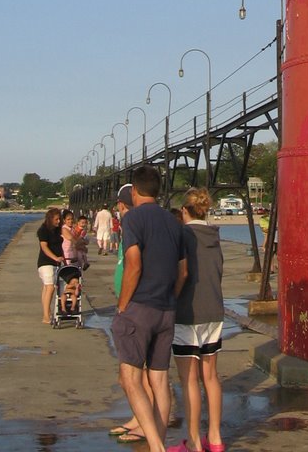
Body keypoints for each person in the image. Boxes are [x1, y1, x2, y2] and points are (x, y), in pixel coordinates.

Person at [112, 166, 187, 452]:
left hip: (139, 306)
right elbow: (183, 272)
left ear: (134, 191)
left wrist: (122, 304)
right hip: (166, 309)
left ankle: (157, 447)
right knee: (159, 379)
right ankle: (160, 439)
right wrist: (170, 299)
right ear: (158, 191)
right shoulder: (173, 222)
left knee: (131, 378)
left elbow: (134, 263)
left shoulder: (133, 219)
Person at [168, 188, 225, 452]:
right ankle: (215, 438)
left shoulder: (182, 235)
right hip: (214, 311)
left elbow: (182, 272)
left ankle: (193, 441)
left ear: (184, 210)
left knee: (189, 379)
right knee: (210, 377)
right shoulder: (214, 235)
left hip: (188, 313)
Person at [37, 207, 65, 324]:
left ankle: (47, 312)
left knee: (46, 287)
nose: (58, 221)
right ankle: (46, 316)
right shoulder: (43, 230)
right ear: (50, 219)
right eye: (56, 219)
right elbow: (44, 247)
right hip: (45, 262)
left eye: (59, 219)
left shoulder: (57, 230)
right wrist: (55, 257)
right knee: (50, 287)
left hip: (56, 263)